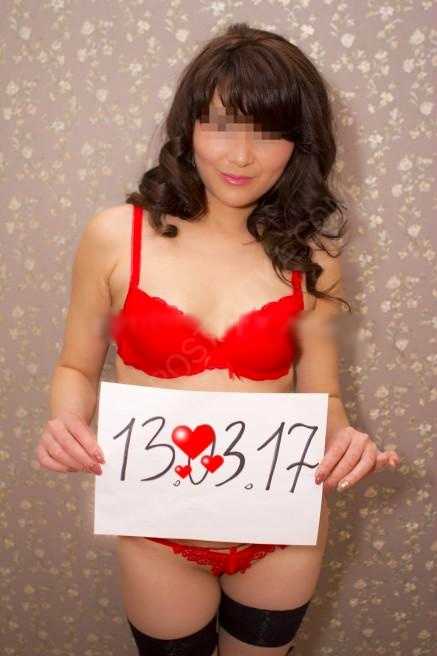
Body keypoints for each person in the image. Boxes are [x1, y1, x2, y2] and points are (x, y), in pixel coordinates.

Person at [36, 22, 400, 656]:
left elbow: (324, 398)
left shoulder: (313, 256)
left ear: (300, 143)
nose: (240, 157)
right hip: (157, 531)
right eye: (222, 125)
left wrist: (345, 443)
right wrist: (66, 421)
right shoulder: (115, 236)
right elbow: (75, 367)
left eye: (269, 133)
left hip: (282, 531)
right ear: (190, 127)